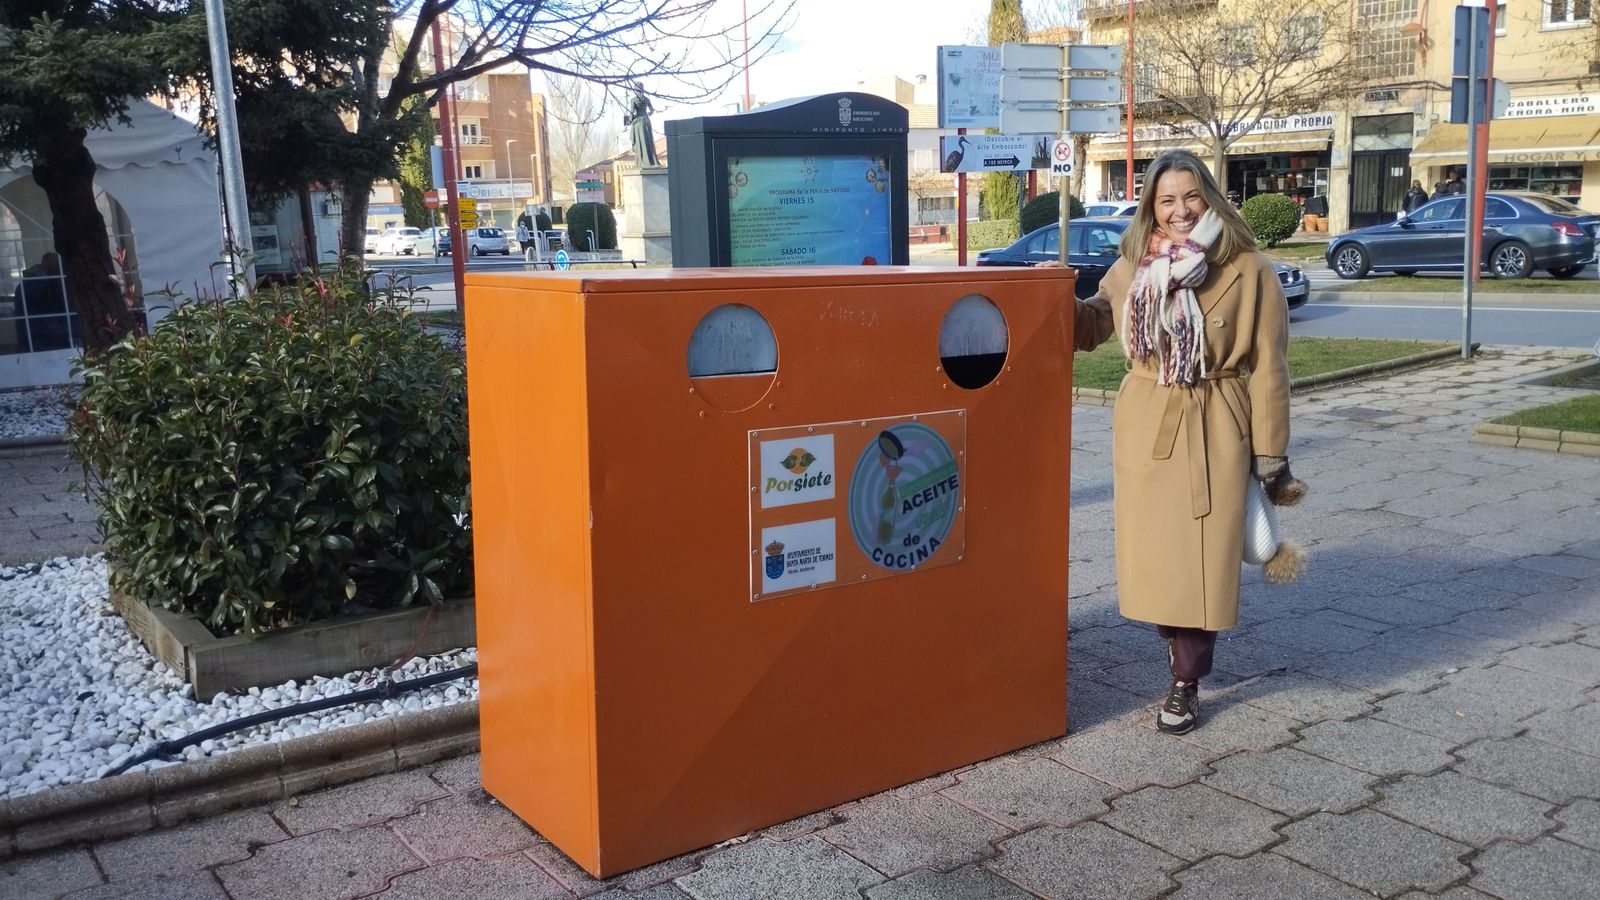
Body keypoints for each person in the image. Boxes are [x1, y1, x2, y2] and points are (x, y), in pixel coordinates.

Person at [1039, 149, 1307, 735]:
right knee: (1158, 559)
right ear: (1151, 208)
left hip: (1215, 420)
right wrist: (1053, 291)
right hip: (1146, 422)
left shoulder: (1250, 269)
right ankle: (1176, 651)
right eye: (1167, 200)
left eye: (1191, 196)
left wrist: (1271, 452)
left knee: (1203, 562)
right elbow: (1092, 328)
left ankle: (1186, 680)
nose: (1181, 210)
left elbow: (1268, 367)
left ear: (1209, 196)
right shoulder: (1135, 263)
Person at [624, 83, 660, 168]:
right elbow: (652, 110)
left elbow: (632, 113)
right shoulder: (647, 99)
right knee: (648, 142)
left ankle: (641, 162)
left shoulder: (633, 100)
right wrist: (648, 113)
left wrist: (628, 121)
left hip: (639, 123)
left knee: (640, 143)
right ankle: (651, 162)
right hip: (647, 121)